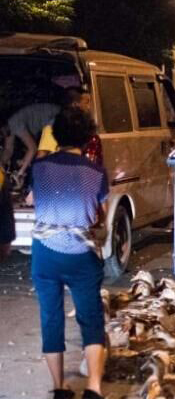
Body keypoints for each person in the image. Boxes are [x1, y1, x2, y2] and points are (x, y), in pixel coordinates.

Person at [29, 108, 108, 399]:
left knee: (50, 317)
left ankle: (60, 387)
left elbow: (32, 198)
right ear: (88, 137)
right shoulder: (96, 172)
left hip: (45, 253)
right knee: (91, 318)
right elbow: (99, 216)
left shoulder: (39, 168)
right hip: (80, 253)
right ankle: (94, 388)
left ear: (56, 135)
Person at [36, 88, 103, 166]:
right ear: (75, 104)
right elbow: (40, 158)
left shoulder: (85, 128)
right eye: (86, 102)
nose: (89, 107)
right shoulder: (52, 127)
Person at [2, 100, 60, 182]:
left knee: (42, 155)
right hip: (48, 118)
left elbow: (32, 148)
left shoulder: (15, 124)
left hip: (55, 117)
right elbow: (8, 149)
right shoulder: (8, 127)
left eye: (1, 133)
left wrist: (20, 173)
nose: (2, 136)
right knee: (31, 159)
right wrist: (1, 164)